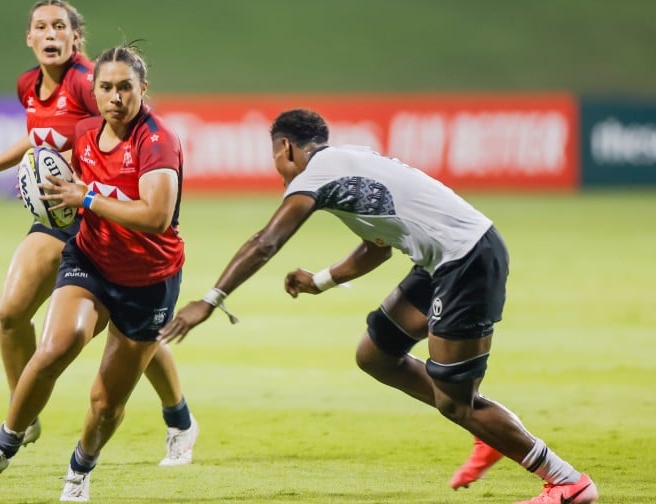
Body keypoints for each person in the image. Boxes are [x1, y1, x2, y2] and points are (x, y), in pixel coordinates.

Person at [159, 108, 599, 504]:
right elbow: (377, 248)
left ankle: (567, 482)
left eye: (274, 155)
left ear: (286, 147)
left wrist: (211, 300)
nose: (276, 166)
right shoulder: (349, 164)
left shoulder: (316, 173)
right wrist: (320, 280)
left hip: (467, 259)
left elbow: (266, 242)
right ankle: (486, 424)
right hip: (440, 262)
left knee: (453, 402)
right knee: (376, 354)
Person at [0, 0, 197, 465]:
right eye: (40, 27)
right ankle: (22, 418)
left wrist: (100, 190)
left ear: (75, 38)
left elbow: (125, 123)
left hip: (98, 212)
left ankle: (178, 416)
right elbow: (41, 135)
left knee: (134, 331)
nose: (50, 34)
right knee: (11, 314)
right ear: (28, 37)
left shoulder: (90, 83)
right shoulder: (29, 85)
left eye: (60, 26)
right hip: (65, 211)